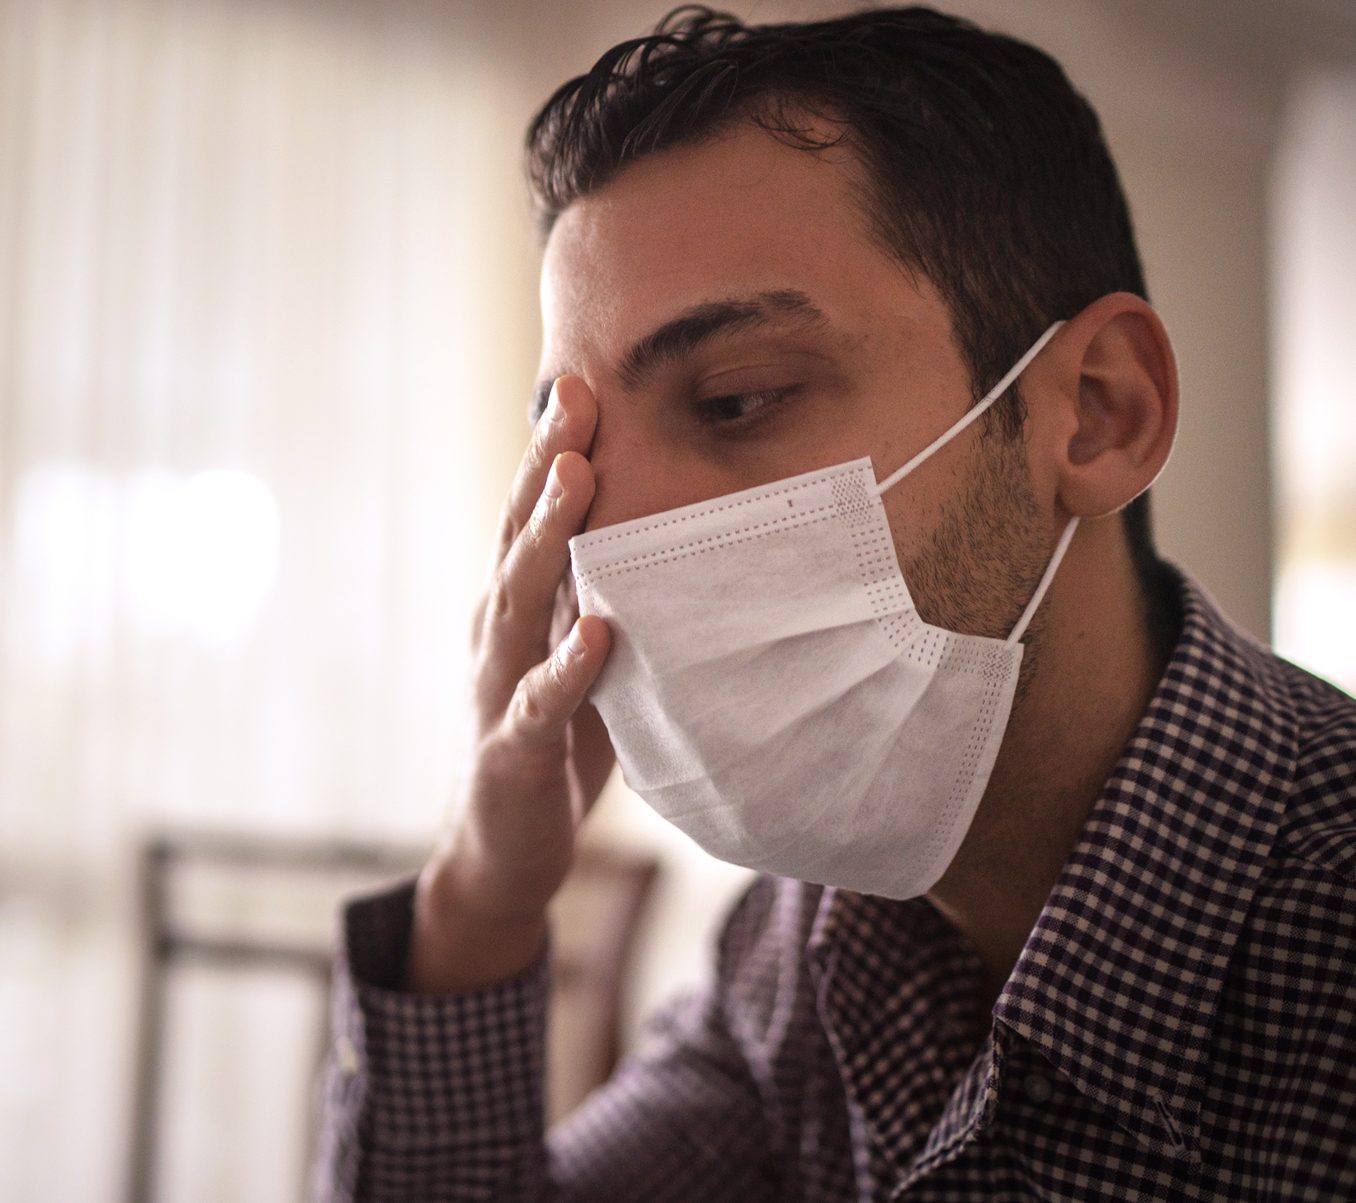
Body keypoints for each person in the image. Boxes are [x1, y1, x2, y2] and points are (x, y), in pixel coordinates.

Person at [315, 6, 1356, 1199]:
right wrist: (481, 894)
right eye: (576, 445)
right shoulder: (801, 943)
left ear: (1099, 413)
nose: (607, 535)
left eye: (740, 398)